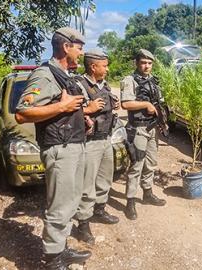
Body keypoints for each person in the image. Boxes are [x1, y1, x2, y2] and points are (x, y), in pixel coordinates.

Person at [15, 27, 91, 269]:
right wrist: (63, 108)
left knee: (70, 201)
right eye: (79, 48)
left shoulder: (64, 75)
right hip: (60, 150)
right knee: (60, 205)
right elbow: (22, 113)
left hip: (74, 146)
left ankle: (61, 248)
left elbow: (66, 105)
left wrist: (82, 116)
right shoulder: (44, 74)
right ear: (66, 47)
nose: (81, 53)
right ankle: (52, 259)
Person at [74, 48, 120, 244]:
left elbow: (107, 107)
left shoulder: (105, 84)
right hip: (89, 142)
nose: (107, 69)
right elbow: (69, 111)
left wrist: (114, 105)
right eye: (105, 66)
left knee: (105, 179)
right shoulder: (79, 85)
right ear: (93, 67)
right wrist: (88, 109)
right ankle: (83, 223)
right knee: (87, 185)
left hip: (106, 139)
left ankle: (99, 210)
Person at [120, 49, 167, 220]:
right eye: (143, 63)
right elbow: (125, 104)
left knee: (151, 163)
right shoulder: (129, 80)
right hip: (138, 128)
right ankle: (130, 202)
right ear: (137, 63)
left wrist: (163, 121)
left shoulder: (153, 81)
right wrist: (145, 104)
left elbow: (159, 104)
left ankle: (147, 193)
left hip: (152, 128)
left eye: (149, 63)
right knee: (136, 165)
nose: (147, 66)